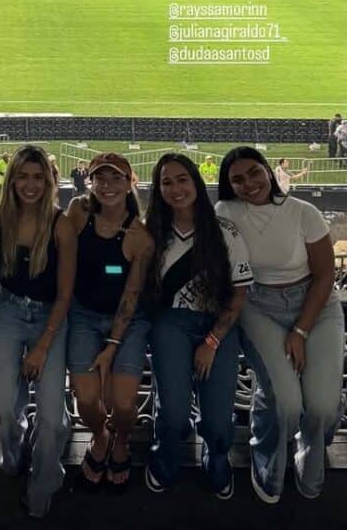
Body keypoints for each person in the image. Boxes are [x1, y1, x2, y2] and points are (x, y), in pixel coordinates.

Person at [216, 147, 345, 503]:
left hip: (316, 306)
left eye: (254, 173)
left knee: (321, 406)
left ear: (268, 171)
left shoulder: (304, 212)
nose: (248, 184)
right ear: (229, 185)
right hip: (258, 305)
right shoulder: (225, 212)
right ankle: (267, 454)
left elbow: (323, 276)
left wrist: (301, 330)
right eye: (237, 179)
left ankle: (312, 446)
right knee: (286, 403)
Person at [145, 153, 252, 498]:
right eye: (166, 182)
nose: (175, 189)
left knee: (221, 421)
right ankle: (166, 454)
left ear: (196, 182)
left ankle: (216, 455)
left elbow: (239, 295)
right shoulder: (154, 234)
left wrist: (212, 340)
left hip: (217, 326)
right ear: (158, 189)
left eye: (182, 180)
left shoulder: (224, 231)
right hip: (170, 325)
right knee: (174, 415)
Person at [0, 145, 77, 518]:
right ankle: (13, 444)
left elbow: (65, 293)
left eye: (38, 177)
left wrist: (42, 345)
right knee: (3, 407)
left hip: (49, 316)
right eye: (23, 176)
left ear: (50, 181)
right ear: (11, 180)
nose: (30, 185)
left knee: (52, 418)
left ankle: (43, 478)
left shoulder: (61, 224)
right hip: (7, 311)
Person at [66, 153, 153, 492]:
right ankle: (101, 436)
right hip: (83, 314)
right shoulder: (79, 212)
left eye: (116, 178)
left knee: (125, 404)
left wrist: (112, 345)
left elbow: (132, 295)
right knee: (87, 400)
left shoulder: (140, 235)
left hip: (128, 322)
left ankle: (121, 440)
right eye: (101, 178)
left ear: (130, 182)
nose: (108, 185)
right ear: (91, 182)